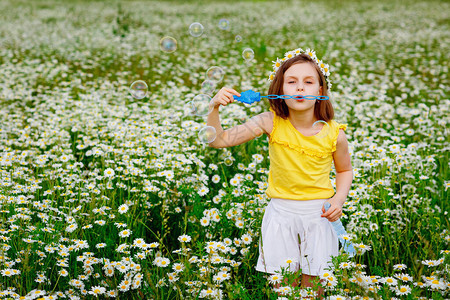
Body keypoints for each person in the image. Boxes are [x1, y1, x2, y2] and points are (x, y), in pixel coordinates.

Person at [206, 48, 353, 298]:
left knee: (313, 290)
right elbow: (218, 140)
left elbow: (344, 169)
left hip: (319, 216)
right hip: (280, 215)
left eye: (308, 82)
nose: (299, 88)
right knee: (283, 288)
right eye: (291, 82)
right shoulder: (270, 121)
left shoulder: (334, 132)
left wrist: (338, 200)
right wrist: (214, 106)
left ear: (320, 91)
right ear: (279, 89)